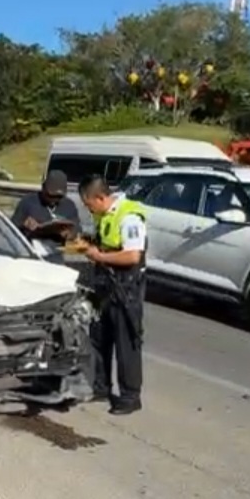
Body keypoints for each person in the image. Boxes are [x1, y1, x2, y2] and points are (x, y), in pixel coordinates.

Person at [78, 173, 148, 415]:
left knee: (126, 341)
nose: (89, 210)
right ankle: (100, 386)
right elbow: (105, 241)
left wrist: (99, 256)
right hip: (103, 284)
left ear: (100, 197)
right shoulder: (104, 214)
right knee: (98, 337)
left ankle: (130, 397)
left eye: (89, 205)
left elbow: (132, 256)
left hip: (125, 287)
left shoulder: (129, 217)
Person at [11, 168, 80, 261]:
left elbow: (76, 229)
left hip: (55, 255)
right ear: (43, 188)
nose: (53, 200)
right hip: (31, 254)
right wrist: (24, 224)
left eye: (58, 197)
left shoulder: (69, 205)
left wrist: (69, 234)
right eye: (50, 196)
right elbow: (12, 228)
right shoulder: (28, 202)